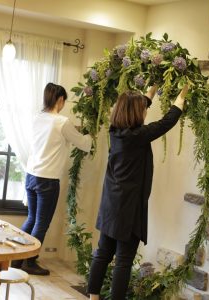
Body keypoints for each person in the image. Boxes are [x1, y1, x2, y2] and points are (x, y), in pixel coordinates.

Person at [87, 84, 189, 299]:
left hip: (110, 202)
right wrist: (181, 98)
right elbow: (165, 123)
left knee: (103, 253)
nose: (144, 112)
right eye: (142, 109)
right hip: (128, 207)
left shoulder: (115, 131)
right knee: (123, 260)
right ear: (137, 113)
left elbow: (134, 110)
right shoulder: (138, 135)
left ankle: (92, 296)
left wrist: (149, 94)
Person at [12, 82, 92, 275]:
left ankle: (16, 259)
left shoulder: (38, 118)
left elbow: (57, 136)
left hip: (31, 175)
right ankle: (30, 262)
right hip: (47, 180)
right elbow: (83, 143)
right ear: (60, 99)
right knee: (41, 222)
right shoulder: (62, 122)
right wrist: (91, 132)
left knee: (31, 218)